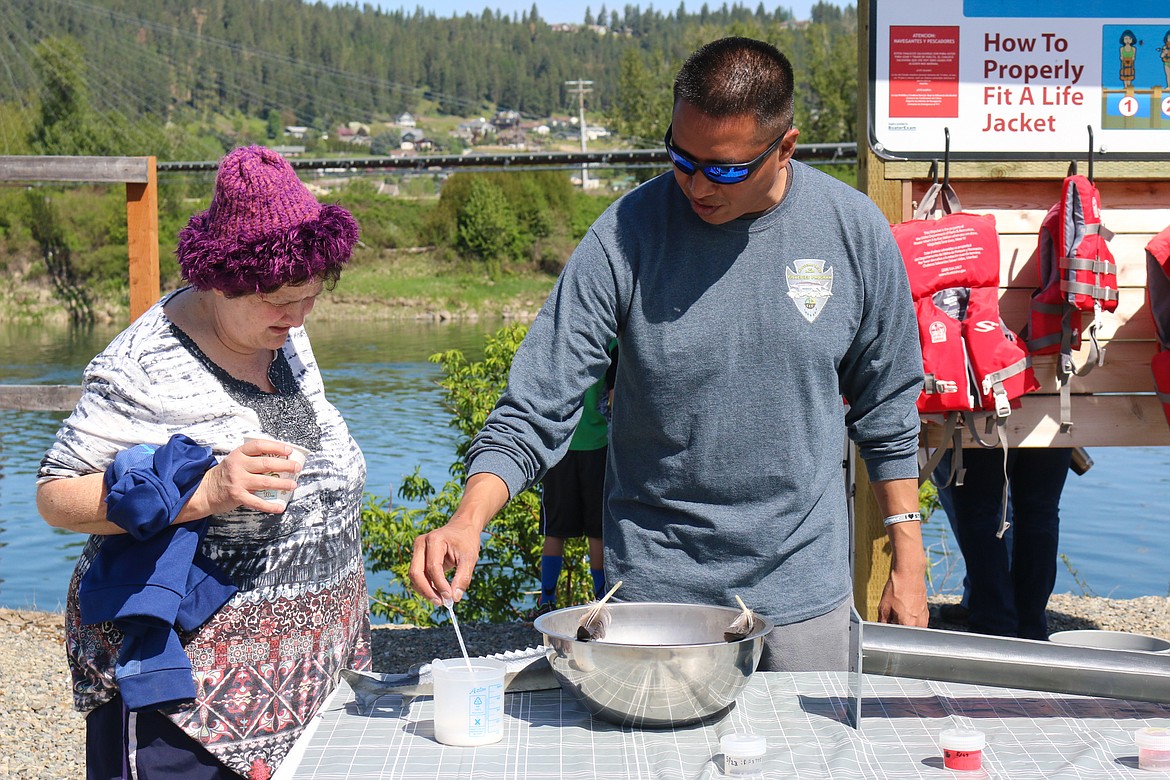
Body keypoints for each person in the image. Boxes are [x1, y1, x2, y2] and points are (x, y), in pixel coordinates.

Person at [410, 37, 928, 673]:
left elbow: (888, 405)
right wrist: (469, 519)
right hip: (656, 600)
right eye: (681, 158)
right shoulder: (625, 236)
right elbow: (539, 402)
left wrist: (909, 558)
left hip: (806, 597)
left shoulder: (852, 231)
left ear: (785, 147)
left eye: (725, 168)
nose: (696, 185)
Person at [36, 145, 368, 779]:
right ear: (221, 278)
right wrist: (207, 492)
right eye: (278, 299)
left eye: (310, 297)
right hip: (188, 710)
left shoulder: (281, 329)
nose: (296, 316)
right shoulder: (142, 364)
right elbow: (55, 496)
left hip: (306, 688)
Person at [936, 447, 1072, 640]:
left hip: (988, 422)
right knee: (1040, 512)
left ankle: (994, 625)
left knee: (978, 510)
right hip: (1057, 420)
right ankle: (1030, 628)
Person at [528, 340, 618, 619]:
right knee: (597, 532)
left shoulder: (560, 343)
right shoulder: (613, 346)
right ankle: (600, 599)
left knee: (554, 530)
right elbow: (614, 399)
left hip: (558, 447)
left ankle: (546, 600)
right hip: (598, 445)